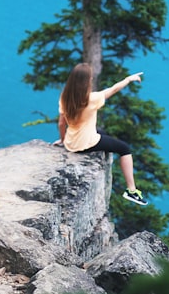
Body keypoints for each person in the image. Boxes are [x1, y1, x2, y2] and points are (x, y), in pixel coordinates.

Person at [56, 62, 147, 205]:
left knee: (102, 133)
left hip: (71, 141)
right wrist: (128, 79)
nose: (92, 79)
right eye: (90, 78)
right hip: (85, 143)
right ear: (86, 81)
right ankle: (131, 190)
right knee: (124, 149)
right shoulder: (92, 99)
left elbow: (61, 123)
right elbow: (113, 89)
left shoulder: (65, 97)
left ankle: (129, 187)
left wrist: (63, 140)